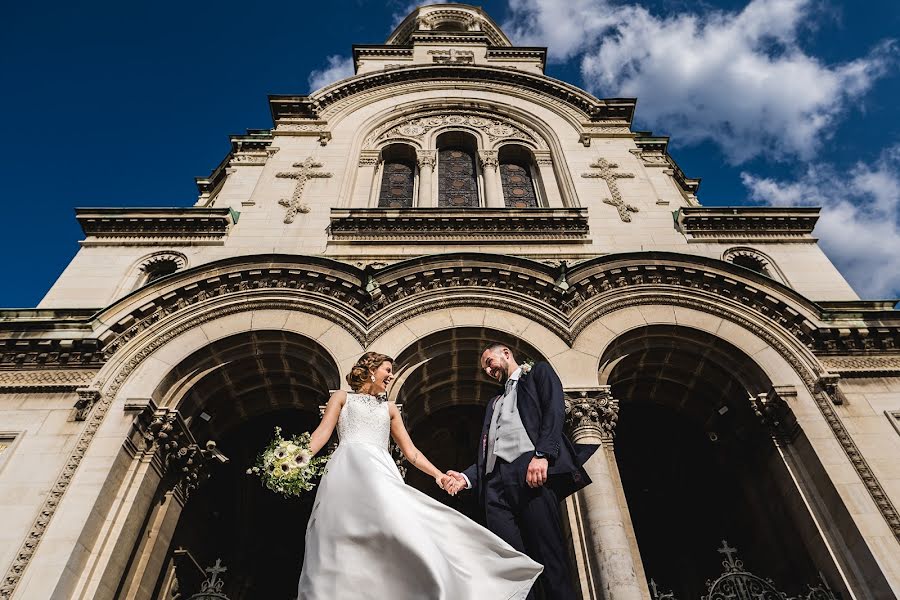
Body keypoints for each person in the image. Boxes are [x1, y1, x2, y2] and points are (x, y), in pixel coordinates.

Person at [297, 351, 542, 599]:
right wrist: (295, 458)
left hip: (379, 470)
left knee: (398, 524)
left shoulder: (390, 409)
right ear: (371, 369)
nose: (391, 376)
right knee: (337, 529)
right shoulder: (342, 398)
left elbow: (411, 452)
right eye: (387, 370)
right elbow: (321, 434)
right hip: (346, 469)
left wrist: (438, 475)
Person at [445, 344, 597, 600]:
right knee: (511, 565)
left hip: (530, 472)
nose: (487, 369)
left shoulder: (538, 374)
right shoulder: (494, 403)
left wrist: (543, 455)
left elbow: (554, 411)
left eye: (489, 361)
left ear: (506, 353)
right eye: (484, 367)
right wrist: (467, 477)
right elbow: (489, 449)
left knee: (549, 557)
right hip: (495, 487)